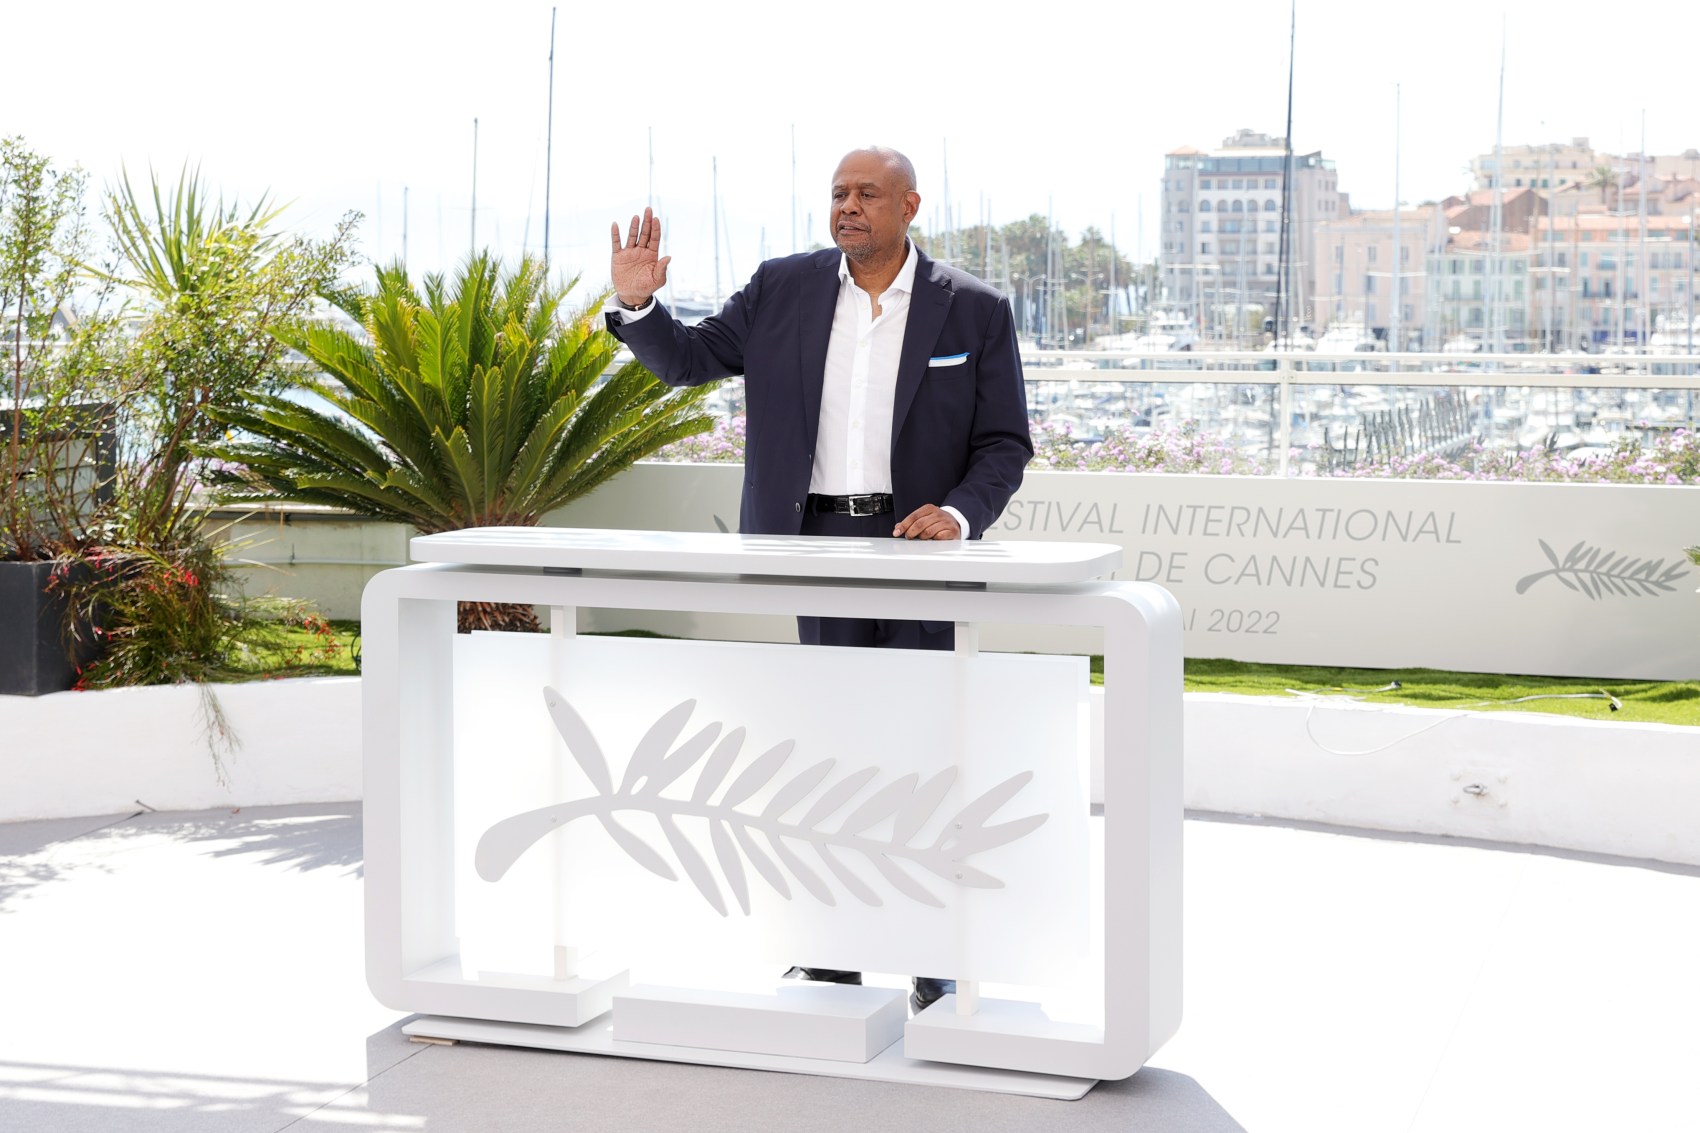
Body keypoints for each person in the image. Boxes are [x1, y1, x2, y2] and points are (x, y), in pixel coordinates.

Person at [606, 146, 1032, 1012]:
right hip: (809, 545)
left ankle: (930, 951)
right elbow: (687, 359)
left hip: (919, 551)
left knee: (919, 751)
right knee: (827, 748)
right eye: (839, 193)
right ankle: (832, 951)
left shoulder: (975, 311)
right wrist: (639, 303)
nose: (849, 206)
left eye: (867, 193)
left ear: (909, 205)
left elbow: (1004, 443)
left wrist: (957, 514)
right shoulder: (782, 288)